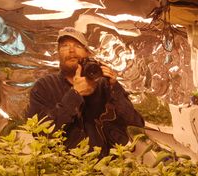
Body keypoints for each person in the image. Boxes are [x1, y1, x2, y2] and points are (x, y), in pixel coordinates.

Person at [26, 27, 144, 156]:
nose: (71, 50)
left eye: (77, 46)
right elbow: (40, 133)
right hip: (61, 168)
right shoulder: (44, 86)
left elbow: (136, 124)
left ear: (88, 54)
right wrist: (74, 94)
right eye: (65, 46)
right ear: (58, 53)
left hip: (105, 168)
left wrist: (114, 88)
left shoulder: (104, 85)